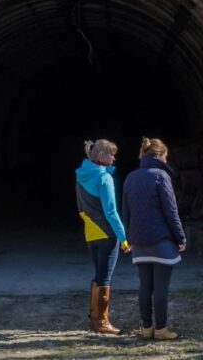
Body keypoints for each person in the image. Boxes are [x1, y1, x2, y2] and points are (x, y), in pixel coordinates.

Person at [122, 137, 186, 340]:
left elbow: (125, 210)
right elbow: (171, 211)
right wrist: (180, 237)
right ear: (158, 156)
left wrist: (127, 238)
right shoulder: (161, 176)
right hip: (160, 241)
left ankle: (146, 327)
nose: (167, 161)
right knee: (161, 288)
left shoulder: (131, 177)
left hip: (138, 241)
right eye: (165, 157)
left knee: (145, 286)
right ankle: (161, 329)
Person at [76, 139, 130, 334]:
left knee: (99, 274)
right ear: (101, 155)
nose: (114, 158)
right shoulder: (104, 178)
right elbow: (111, 211)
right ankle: (102, 323)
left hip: (90, 231)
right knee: (105, 278)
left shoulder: (80, 175)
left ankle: (94, 316)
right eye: (111, 154)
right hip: (107, 232)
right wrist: (123, 238)